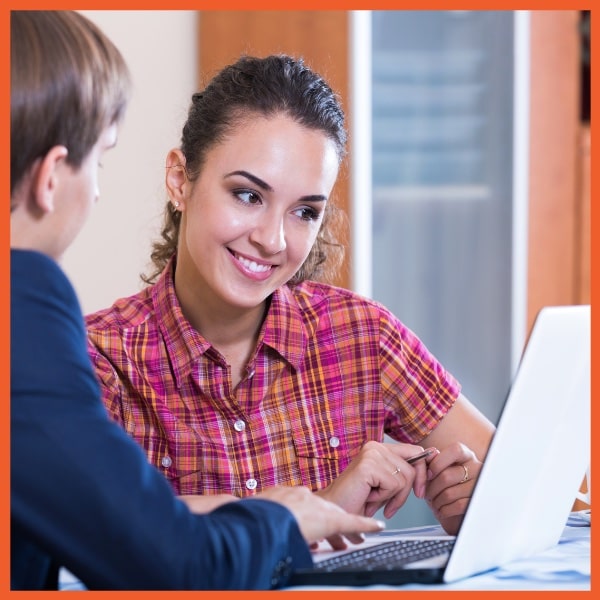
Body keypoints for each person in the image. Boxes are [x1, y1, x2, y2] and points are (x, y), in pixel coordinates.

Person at [10, 11, 386, 591]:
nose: (272, 237)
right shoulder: (28, 310)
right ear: (53, 175)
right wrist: (285, 516)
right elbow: (162, 553)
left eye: (305, 211)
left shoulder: (357, 325)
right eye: (100, 159)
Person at [86, 53, 496, 537]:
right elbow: (93, 523)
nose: (273, 239)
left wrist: (476, 499)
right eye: (247, 195)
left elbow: (514, 477)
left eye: (304, 211)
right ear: (181, 180)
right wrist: (310, 511)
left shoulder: (362, 334)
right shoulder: (97, 359)